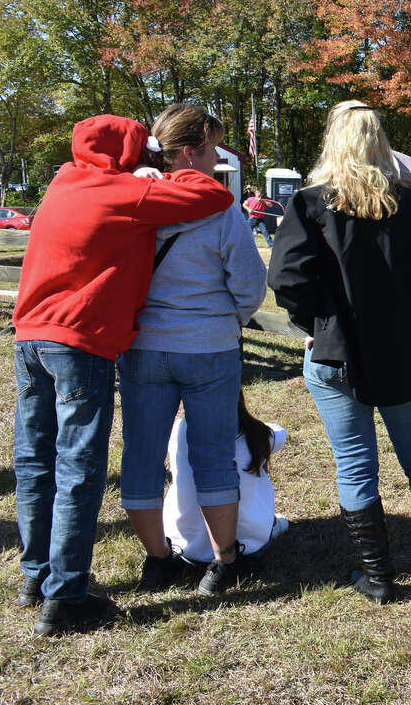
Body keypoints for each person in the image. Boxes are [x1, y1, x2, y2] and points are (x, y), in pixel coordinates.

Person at [12, 114, 234, 635]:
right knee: (79, 468)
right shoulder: (123, 194)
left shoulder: (64, 181)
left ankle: (36, 574)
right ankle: (66, 597)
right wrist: (171, 170)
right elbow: (213, 197)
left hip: (29, 337)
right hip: (79, 341)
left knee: (34, 460)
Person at [268, 100, 411, 605]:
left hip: (335, 354)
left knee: (355, 465)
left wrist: (317, 325)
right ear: (381, 141)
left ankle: (379, 577)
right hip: (399, 352)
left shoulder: (309, 204)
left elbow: (285, 279)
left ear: (331, 142)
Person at [117, 103, 268, 596]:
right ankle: (223, 561)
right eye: (213, 151)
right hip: (209, 346)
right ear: (191, 151)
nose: (216, 161)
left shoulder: (134, 197)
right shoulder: (219, 206)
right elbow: (249, 283)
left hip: (144, 346)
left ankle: (157, 559)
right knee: (211, 454)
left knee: (141, 454)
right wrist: (231, 318)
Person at [164, 392, 288, 567]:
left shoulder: (178, 431)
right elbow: (280, 432)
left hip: (184, 546)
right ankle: (269, 525)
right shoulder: (256, 436)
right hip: (247, 547)